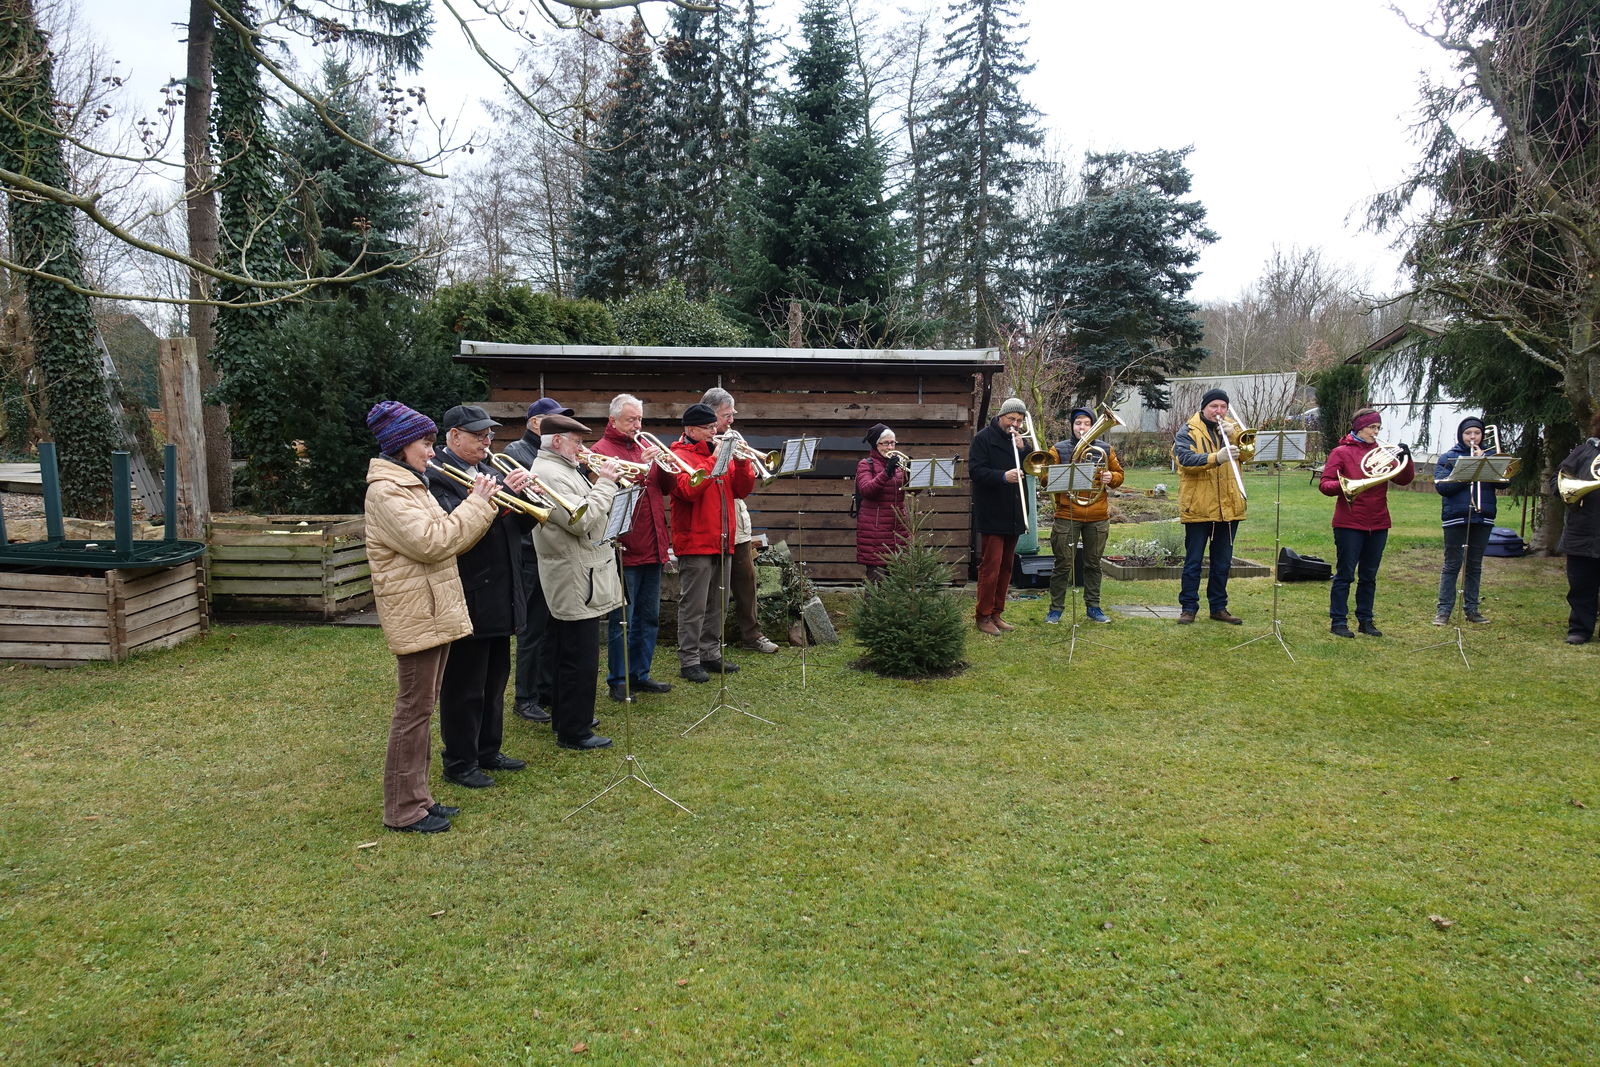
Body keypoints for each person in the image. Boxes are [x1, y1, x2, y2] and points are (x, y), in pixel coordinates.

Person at [363, 401, 497, 834]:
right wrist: (476, 504)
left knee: (423, 708)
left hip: (432, 610)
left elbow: (450, 539)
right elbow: (432, 542)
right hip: (416, 613)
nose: (432, 452)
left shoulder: (411, 484)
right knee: (413, 712)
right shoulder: (387, 491)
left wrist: (481, 505)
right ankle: (402, 810)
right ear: (401, 445)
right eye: (425, 442)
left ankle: (419, 798)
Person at [429, 404, 536, 787]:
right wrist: (501, 497)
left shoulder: (489, 470)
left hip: (502, 588)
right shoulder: (437, 476)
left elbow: (518, 524)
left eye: (489, 435)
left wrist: (526, 499)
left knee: (494, 678)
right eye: (478, 435)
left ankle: (488, 749)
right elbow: (458, 532)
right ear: (454, 436)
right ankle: (459, 761)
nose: (487, 442)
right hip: (470, 589)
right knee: (465, 684)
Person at [530, 414, 626, 748]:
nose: (583, 448)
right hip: (572, 572)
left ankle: (569, 716)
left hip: (581, 568)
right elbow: (580, 522)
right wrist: (604, 483)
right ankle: (575, 730)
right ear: (557, 441)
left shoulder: (565, 469)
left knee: (568, 651)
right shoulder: (547, 473)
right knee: (579, 656)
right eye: (577, 441)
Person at [589, 393, 676, 702]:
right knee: (622, 619)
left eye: (640, 419)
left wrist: (663, 463)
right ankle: (618, 679)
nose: (637, 425)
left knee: (648, 616)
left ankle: (640, 674)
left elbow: (668, 488)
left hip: (653, 544)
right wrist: (643, 462)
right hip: (624, 547)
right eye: (631, 419)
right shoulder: (600, 452)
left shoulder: (643, 446)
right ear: (613, 420)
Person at [669, 402, 756, 681]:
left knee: (719, 602)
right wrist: (714, 460)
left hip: (723, 538)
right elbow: (686, 490)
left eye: (712, 427)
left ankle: (711, 653)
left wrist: (742, 462)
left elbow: (741, 490)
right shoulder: (677, 454)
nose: (713, 431)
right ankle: (689, 659)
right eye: (707, 428)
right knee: (693, 605)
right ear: (690, 429)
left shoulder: (722, 452)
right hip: (695, 541)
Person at [503, 397, 571, 723]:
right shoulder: (518, 453)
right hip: (530, 552)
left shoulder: (552, 452)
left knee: (552, 627)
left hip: (551, 549)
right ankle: (525, 697)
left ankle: (546, 689)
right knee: (531, 630)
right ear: (535, 423)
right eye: (553, 421)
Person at [1318, 408, 1414, 638]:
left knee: (1369, 576)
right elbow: (1325, 485)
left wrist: (1405, 459)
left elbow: (1404, 479)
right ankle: (1338, 621)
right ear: (1359, 427)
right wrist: (1350, 484)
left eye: (1378, 428)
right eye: (1372, 427)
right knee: (1345, 574)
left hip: (1379, 521)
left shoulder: (1383, 452)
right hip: (1349, 522)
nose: (1376, 432)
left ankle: (1366, 620)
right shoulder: (1341, 452)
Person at [702, 388, 781, 654]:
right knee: (714, 588)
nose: (731, 421)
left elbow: (742, 489)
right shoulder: (699, 440)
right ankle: (709, 643)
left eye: (732, 414)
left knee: (746, 580)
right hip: (712, 524)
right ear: (711, 414)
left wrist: (744, 462)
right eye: (726, 415)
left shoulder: (733, 438)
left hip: (738, 524)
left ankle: (752, 636)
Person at [1174, 389, 1248, 625]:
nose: (1219, 411)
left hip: (1228, 506)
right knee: (1193, 561)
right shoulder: (1188, 430)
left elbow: (1250, 455)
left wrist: (1235, 435)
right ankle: (1188, 607)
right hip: (1199, 506)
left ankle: (1218, 607)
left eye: (1223, 407)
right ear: (1204, 407)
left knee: (1222, 562)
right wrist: (1217, 457)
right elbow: (1185, 460)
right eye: (1214, 406)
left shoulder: (1232, 428)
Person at [1044, 408, 1125, 625]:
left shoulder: (1105, 449)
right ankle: (1056, 610)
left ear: (1092, 426)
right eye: (1078, 423)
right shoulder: (1058, 449)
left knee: (1093, 564)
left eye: (1087, 423)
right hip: (1067, 514)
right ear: (1071, 425)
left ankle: (1094, 607)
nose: (1082, 427)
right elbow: (1045, 477)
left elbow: (1119, 475)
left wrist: (1111, 476)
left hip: (1097, 515)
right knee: (1062, 564)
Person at [1433, 416, 1506, 626]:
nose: (1472, 437)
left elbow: (1504, 483)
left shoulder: (1490, 456)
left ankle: (1472, 609)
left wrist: (1489, 463)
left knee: (1474, 565)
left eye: (1476, 433)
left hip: (1483, 515)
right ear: (1461, 435)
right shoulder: (1448, 457)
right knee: (1452, 564)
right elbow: (1442, 487)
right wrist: (1468, 471)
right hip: (1456, 516)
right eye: (1468, 433)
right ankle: (1444, 611)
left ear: (1482, 435)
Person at [968, 397, 1030, 635]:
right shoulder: (983, 438)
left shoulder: (1018, 442)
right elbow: (976, 471)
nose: (1013, 424)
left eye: (1018, 420)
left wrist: (1024, 449)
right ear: (1001, 416)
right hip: (993, 511)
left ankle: (997, 613)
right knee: (991, 566)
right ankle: (982, 615)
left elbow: (1032, 467)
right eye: (1010, 419)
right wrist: (1003, 476)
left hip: (1014, 510)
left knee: (1006, 567)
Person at [1557, 411, 1600, 645]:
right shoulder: (1583, 452)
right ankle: (1580, 629)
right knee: (1581, 585)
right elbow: (1560, 480)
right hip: (1582, 531)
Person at [854, 422, 909, 584]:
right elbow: (867, 490)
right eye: (886, 443)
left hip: (898, 528)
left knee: (897, 581)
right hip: (875, 529)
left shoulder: (899, 465)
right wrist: (886, 472)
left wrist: (915, 476)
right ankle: (870, 610)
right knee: (876, 581)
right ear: (875, 445)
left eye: (893, 443)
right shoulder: (866, 464)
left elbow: (912, 490)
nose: (890, 447)